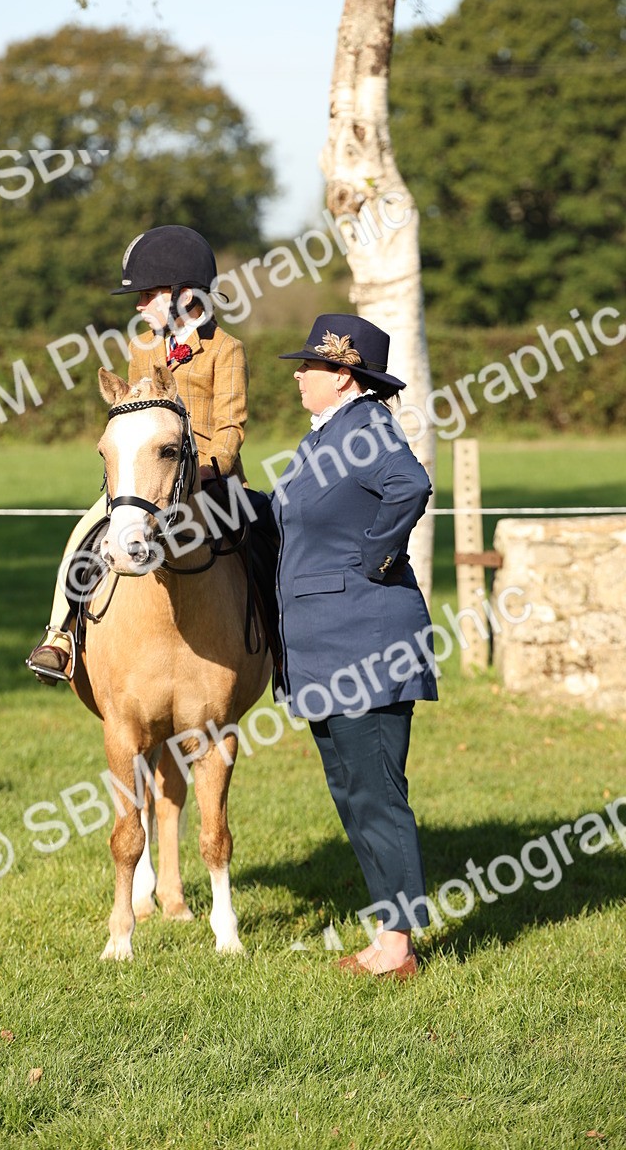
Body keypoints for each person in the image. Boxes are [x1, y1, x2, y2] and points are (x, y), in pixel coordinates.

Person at [271, 313, 438, 978]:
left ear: (342, 376)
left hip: (366, 644)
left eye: (309, 366)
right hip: (327, 650)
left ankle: (397, 948)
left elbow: (412, 485)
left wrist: (374, 559)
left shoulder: (364, 426)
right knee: (353, 791)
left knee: (375, 792)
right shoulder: (330, 434)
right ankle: (387, 933)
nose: (298, 374)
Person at [26, 225, 249, 684]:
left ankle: (282, 648)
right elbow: (131, 407)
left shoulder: (226, 350)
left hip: (210, 479)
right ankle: (59, 635)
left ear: (186, 295)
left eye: (148, 294)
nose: (138, 304)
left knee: (270, 541)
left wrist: (209, 470)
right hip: (149, 480)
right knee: (86, 530)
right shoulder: (141, 347)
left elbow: (230, 427)